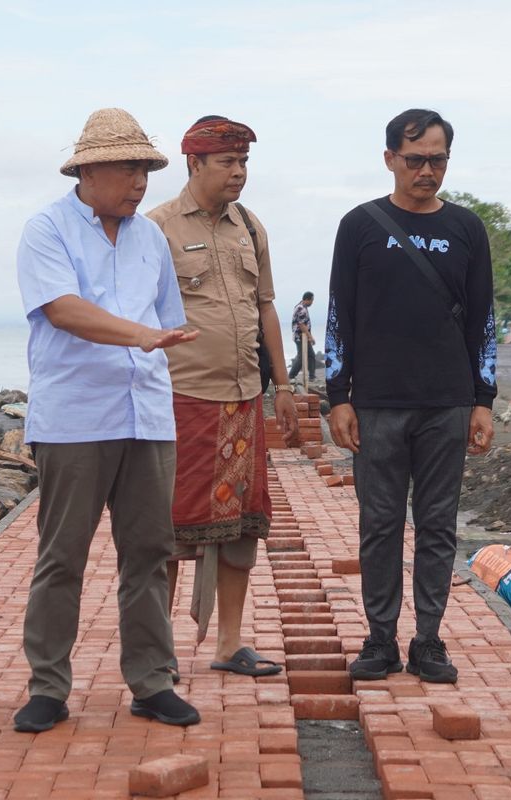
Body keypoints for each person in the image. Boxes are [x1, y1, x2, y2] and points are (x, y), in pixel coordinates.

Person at [13, 108, 201, 734]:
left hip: (147, 414)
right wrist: (142, 337)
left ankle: (151, 682)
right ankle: (47, 686)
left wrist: (154, 341)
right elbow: (64, 309)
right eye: (128, 167)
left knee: (148, 554)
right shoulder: (47, 229)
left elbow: (168, 318)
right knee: (61, 556)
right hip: (74, 418)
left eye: (146, 168)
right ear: (89, 170)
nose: (141, 180)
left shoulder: (150, 238)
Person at [326, 108, 496, 684]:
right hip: (375, 404)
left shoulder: (468, 229)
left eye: (438, 159)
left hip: (446, 403)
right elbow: (338, 316)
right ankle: (379, 640)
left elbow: (483, 321)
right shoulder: (360, 226)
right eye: (416, 158)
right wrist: (337, 396)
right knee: (378, 524)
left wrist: (483, 400)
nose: (427, 170)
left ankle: (428, 640)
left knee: (437, 524)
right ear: (390, 159)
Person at [148, 116, 299, 680]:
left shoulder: (250, 228)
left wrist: (280, 387)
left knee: (242, 526)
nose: (239, 173)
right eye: (227, 162)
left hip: (242, 399)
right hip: (178, 398)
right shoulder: (155, 228)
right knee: (164, 530)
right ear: (194, 163)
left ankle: (231, 643)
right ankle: (155, 651)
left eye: (245, 163)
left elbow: (265, 308)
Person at [288, 291, 317, 384]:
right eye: (312, 300)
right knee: (302, 357)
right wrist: (310, 337)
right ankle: (291, 376)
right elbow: (301, 325)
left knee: (311, 355)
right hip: (300, 337)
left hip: (302, 336)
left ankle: (312, 376)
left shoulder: (301, 306)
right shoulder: (301, 309)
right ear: (307, 299)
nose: (312, 302)